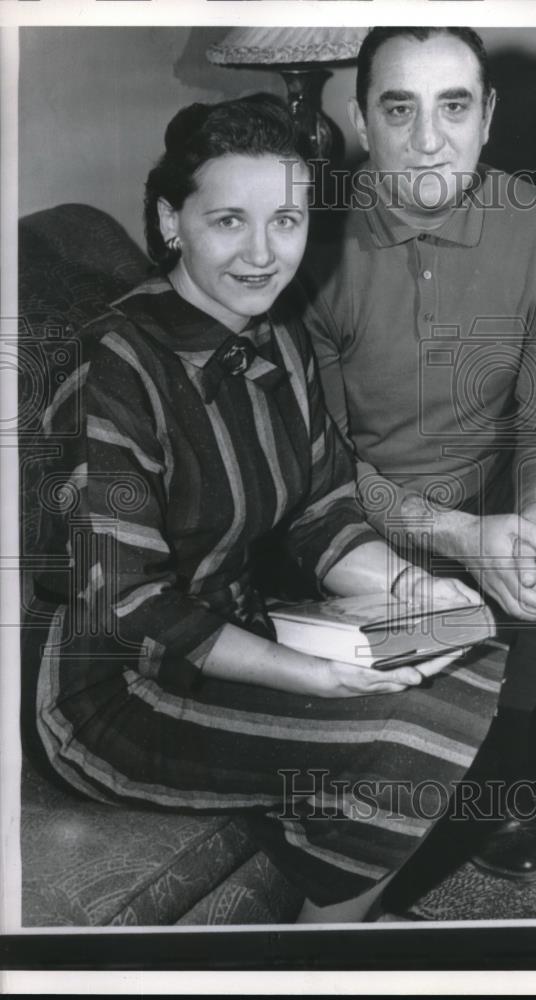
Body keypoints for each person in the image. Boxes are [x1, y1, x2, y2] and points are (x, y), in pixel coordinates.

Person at [20, 95, 509, 924]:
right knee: (410, 722)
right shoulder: (112, 366)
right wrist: (310, 675)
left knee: (466, 637)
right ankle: (322, 949)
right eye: (227, 222)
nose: (261, 254)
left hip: (253, 626)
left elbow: (321, 508)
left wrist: (411, 589)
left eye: (284, 220)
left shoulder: (276, 334)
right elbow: (132, 602)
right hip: (120, 694)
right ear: (173, 222)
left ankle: (342, 889)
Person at [301, 26, 536, 882]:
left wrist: (528, 523)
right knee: (429, 602)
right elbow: (317, 467)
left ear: (486, 115)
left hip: (494, 489)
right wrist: (456, 539)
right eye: (398, 108)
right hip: (360, 508)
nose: (427, 139)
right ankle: (495, 768)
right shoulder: (304, 244)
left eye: (452, 106)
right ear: (359, 117)